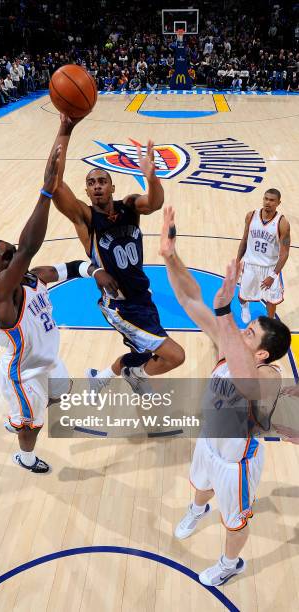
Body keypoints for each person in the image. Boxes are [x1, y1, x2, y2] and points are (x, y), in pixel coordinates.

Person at [159, 206, 291, 586]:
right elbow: (190, 301)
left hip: (237, 463)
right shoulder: (229, 344)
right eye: (244, 327)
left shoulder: (269, 375)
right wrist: (171, 257)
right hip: (209, 443)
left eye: (250, 333)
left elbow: (246, 383)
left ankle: (231, 563)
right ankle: (197, 509)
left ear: (263, 352)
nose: (241, 332)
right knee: (199, 486)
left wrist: (225, 313)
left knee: (234, 521)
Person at [0, 145, 117, 473]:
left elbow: (70, 267)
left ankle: (31, 411)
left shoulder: (33, 275)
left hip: (49, 361)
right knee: (33, 424)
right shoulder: (0, 292)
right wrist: (45, 193)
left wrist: (94, 270)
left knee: (61, 392)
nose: (14, 257)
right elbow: (29, 248)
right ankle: (25, 456)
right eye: (6, 258)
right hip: (23, 373)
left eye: (12, 252)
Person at [46, 115, 185, 394]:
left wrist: (151, 176)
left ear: (112, 187)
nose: (96, 185)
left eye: (102, 180)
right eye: (91, 182)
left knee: (144, 352)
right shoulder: (84, 217)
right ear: (86, 191)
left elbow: (155, 203)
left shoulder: (130, 206)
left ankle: (100, 377)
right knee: (175, 356)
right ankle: (135, 375)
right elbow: (54, 183)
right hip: (120, 306)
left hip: (143, 297)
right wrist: (66, 128)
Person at [236, 188, 290, 322]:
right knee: (242, 296)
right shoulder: (251, 216)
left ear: (278, 203)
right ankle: (245, 307)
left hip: (269, 267)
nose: (268, 202)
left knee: (271, 301)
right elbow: (244, 240)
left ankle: (270, 322)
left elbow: (284, 253)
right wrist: (237, 262)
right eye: (266, 199)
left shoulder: (282, 223)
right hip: (251, 264)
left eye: (272, 200)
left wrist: (273, 275)